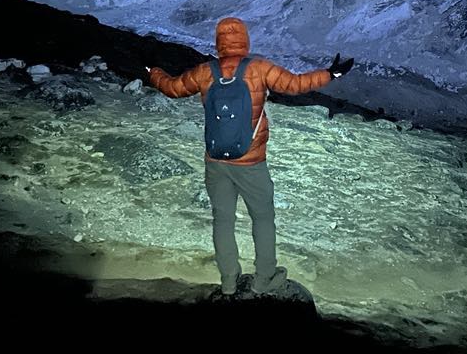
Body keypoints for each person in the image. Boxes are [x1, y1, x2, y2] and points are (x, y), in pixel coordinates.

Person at [145, 16, 353, 296]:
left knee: (223, 220)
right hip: (252, 163)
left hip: (216, 162)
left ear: (219, 42)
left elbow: (172, 88)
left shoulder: (205, 72)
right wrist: (332, 74)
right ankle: (264, 279)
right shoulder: (259, 69)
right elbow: (296, 84)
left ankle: (229, 283)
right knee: (263, 219)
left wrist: (153, 72)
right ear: (244, 40)